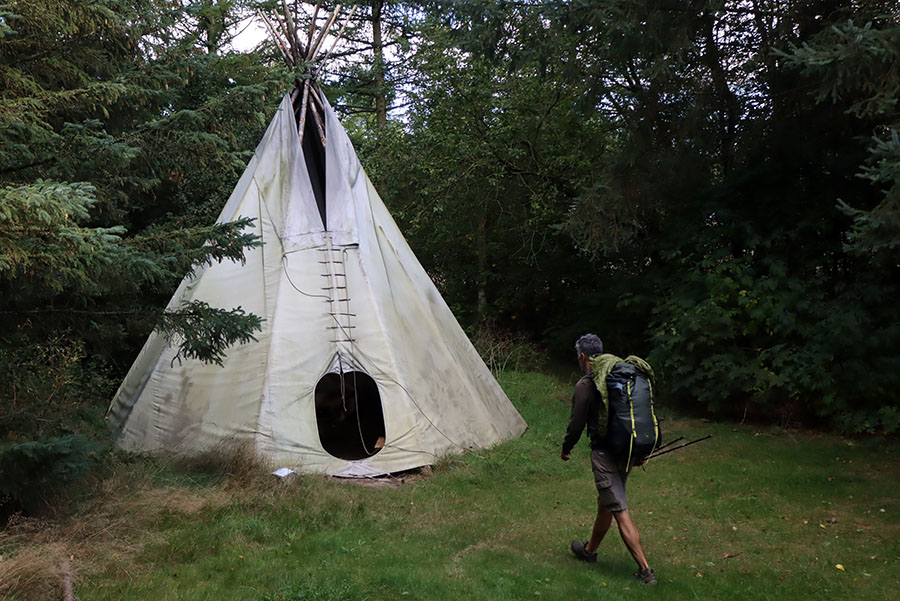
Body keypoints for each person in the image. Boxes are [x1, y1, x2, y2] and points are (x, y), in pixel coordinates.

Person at [561, 333, 657, 585]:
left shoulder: (587, 383)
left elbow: (576, 422)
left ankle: (646, 571)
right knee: (607, 501)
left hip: (604, 453)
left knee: (619, 509)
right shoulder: (621, 373)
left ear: (583, 357)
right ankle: (589, 552)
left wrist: (566, 447)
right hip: (626, 449)